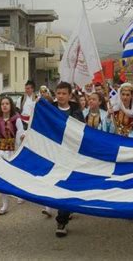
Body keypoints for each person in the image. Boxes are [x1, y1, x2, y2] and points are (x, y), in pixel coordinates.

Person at [52, 82, 85, 237]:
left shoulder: (76, 112)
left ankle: (63, 216)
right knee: (58, 185)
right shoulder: (49, 110)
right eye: (58, 93)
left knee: (68, 185)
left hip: (72, 154)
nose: (61, 96)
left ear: (70, 95)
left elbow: (83, 132)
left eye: (64, 93)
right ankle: (63, 216)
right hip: (54, 154)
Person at [0, 96, 25, 214]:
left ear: (11, 105)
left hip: (13, 149)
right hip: (2, 149)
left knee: (16, 172)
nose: (5, 106)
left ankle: (19, 193)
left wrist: (19, 144)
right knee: (3, 176)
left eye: (7, 103)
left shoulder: (16, 119)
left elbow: (20, 133)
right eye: (2, 104)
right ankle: (5, 204)